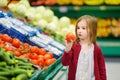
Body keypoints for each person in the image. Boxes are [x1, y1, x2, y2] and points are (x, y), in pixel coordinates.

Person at [61, 15, 107, 80]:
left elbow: (102, 69)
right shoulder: (74, 46)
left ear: (92, 30)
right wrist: (67, 50)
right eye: (78, 28)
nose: (79, 31)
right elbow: (65, 63)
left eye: (83, 28)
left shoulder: (96, 49)